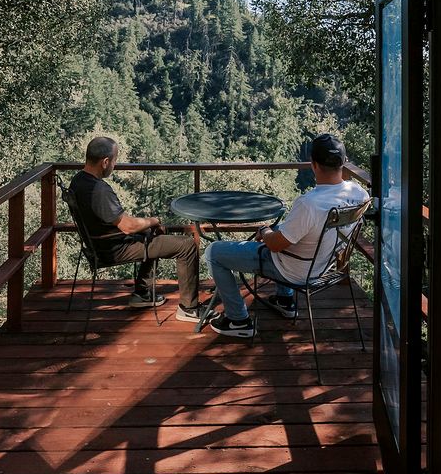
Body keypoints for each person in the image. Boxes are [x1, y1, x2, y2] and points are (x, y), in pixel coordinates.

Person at [204, 133, 369, 338]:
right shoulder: (359, 194)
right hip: (326, 265)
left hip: (295, 271)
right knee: (289, 232)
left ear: (314, 165)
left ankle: (238, 320)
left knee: (214, 252)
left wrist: (265, 231)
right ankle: (285, 301)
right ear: (343, 163)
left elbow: (275, 246)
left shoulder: (309, 204)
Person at [70, 136, 201, 322]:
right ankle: (189, 308)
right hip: (115, 249)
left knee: (152, 232)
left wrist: (149, 226)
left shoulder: (78, 181)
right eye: (115, 160)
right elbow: (127, 226)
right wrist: (154, 220)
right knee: (186, 245)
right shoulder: (99, 190)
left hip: (99, 245)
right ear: (105, 162)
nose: (115, 165)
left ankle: (143, 293)